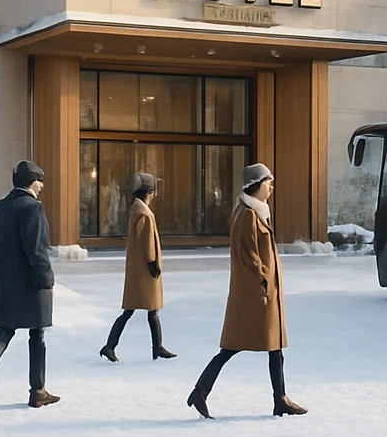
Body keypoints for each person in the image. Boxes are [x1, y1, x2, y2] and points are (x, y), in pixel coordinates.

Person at [187, 163, 307, 419]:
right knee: (234, 346)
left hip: (262, 291)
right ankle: (201, 391)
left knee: (274, 347)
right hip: (256, 294)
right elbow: (249, 255)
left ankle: (280, 398)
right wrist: (264, 280)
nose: (271, 187)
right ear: (255, 185)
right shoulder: (247, 215)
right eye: (268, 183)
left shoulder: (256, 212)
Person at [0, 160, 60, 411]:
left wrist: (0, 271)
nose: (42, 185)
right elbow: (36, 249)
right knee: (36, 333)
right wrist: (46, 278)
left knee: (3, 332)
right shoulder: (33, 208)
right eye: (40, 180)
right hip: (31, 282)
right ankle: (38, 390)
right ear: (31, 181)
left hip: (5, 282)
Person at [99, 172, 176, 362]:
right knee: (143, 309)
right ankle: (112, 346)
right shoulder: (144, 214)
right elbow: (146, 241)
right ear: (150, 193)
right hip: (145, 270)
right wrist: (152, 263)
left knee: (144, 310)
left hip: (139, 269)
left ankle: (152, 346)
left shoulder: (137, 211)